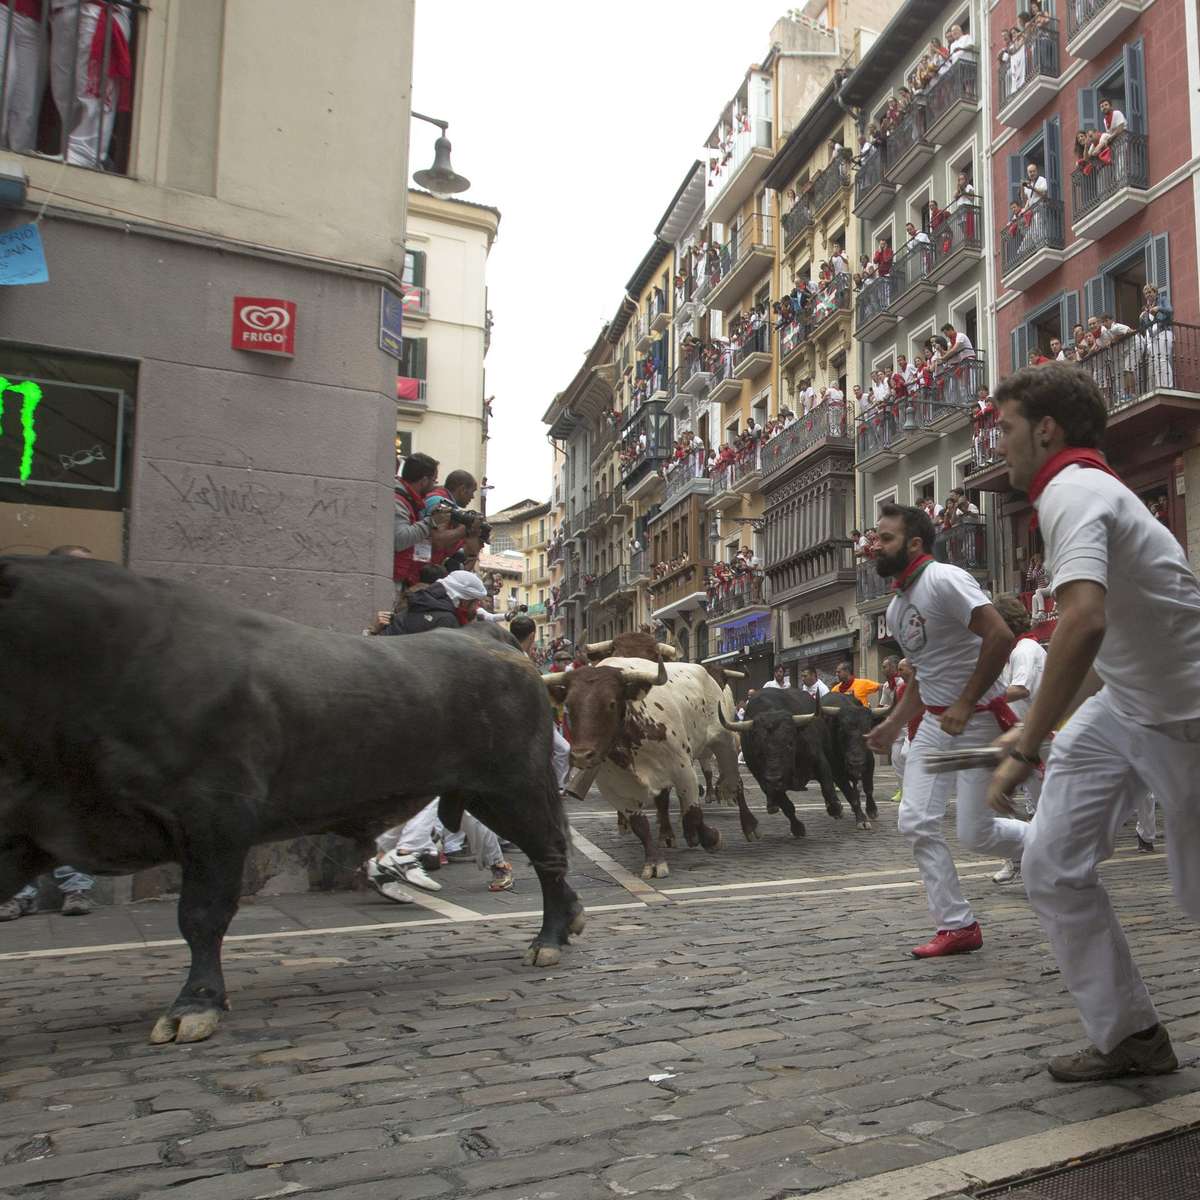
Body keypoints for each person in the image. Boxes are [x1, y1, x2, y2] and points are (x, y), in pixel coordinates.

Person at [986, 362, 1200, 1082]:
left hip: (1187, 716)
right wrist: (1060, 721)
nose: (1000, 445)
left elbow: (1082, 622)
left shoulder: (1073, 491)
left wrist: (1028, 741)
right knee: (1049, 865)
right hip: (1127, 705)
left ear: (1046, 430)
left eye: (1007, 429)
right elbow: (1109, 642)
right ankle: (1131, 1037)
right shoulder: (1077, 491)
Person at [865, 503, 1028, 959]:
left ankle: (1059, 841)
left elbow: (999, 636)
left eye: (887, 538)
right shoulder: (897, 606)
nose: (876, 545)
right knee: (914, 820)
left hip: (978, 722)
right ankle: (957, 926)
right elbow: (922, 674)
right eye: (876, 537)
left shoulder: (945, 580)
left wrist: (963, 701)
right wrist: (893, 723)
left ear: (914, 544)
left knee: (978, 834)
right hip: (936, 725)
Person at [1, 542, 98, 921]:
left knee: (75, 813)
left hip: (74, 734)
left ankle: (77, 889)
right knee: (19, 815)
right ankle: (18, 893)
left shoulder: (95, 618)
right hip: (27, 736)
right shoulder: (29, 613)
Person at [990, 593, 1048, 884]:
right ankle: (1017, 859)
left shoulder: (1024, 650)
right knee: (1005, 798)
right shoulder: (1018, 649)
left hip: (1034, 736)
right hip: (1021, 734)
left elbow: (1021, 689)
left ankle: (1039, 860)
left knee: (1041, 806)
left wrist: (983, 698)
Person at [48, 0, 134, 168]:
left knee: (90, 85)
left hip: (100, 8)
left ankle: (86, 153)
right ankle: (74, 149)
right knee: (63, 88)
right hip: (64, 8)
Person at [394, 453, 466, 595]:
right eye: (434, 480)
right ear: (424, 480)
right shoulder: (399, 500)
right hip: (394, 578)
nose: (435, 486)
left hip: (403, 576)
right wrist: (431, 521)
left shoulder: (411, 501)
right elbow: (399, 539)